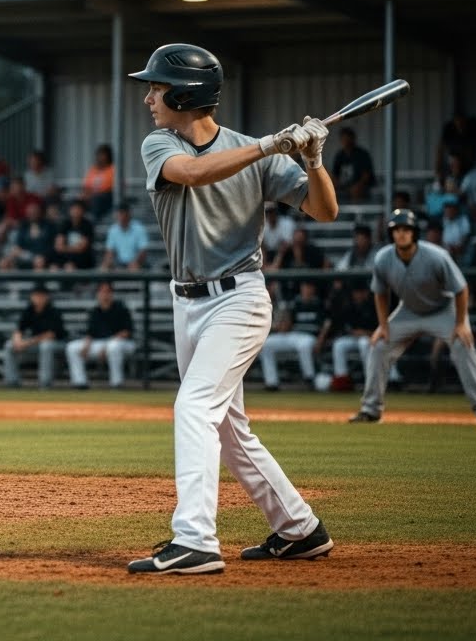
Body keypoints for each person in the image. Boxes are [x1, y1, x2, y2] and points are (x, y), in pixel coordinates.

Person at [125, 43, 335, 576]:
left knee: (194, 407)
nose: (150, 96)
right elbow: (193, 173)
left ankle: (194, 540)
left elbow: (324, 209)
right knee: (228, 428)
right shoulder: (159, 144)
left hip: (239, 299)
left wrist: (311, 160)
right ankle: (300, 529)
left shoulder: (254, 152)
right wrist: (269, 146)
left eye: (157, 86)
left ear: (184, 93)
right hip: (187, 301)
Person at [348, 208, 476, 425]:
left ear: (414, 232)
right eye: (397, 229)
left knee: (463, 344)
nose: (401, 233)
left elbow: (461, 289)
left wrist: (461, 323)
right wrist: (383, 325)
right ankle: (370, 410)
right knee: (379, 345)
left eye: (406, 229)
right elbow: (380, 293)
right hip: (408, 311)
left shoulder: (436, 256)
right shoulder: (383, 258)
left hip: (443, 310)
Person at [258, 280, 327, 391]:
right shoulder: (296, 303)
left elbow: (326, 324)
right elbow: (287, 325)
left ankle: (309, 379)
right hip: (294, 335)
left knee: (303, 345)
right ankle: (271, 382)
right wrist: (285, 321)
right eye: (305, 287)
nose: (306, 290)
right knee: (266, 344)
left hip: (310, 337)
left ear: (314, 289)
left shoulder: (319, 303)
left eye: (309, 287)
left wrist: (321, 340)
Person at [65, 282, 136, 389]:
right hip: (100, 343)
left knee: (113, 347)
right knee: (72, 347)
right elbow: (90, 333)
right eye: (102, 292)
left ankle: (116, 383)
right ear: (97, 294)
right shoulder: (95, 311)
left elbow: (126, 332)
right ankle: (80, 382)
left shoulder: (121, 309)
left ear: (112, 294)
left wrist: (107, 345)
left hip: (122, 343)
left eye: (107, 292)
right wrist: (86, 344)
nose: (105, 295)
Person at [1, 280, 67, 389]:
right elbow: (19, 329)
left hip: (58, 343)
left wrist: (26, 343)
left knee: (46, 346)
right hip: (35, 343)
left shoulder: (53, 311)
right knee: (9, 345)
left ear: (47, 297)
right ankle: (12, 382)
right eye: (36, 295)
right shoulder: (29, 310)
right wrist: (17, 341)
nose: (38, 298)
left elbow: (50, 335)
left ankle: (45, 383)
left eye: (41, 295)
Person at [325, 279, 379, 392]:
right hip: (354, 338)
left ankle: (370, 381)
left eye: (360, 292)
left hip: (371, 339)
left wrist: (364, 333)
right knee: (339, 344)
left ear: (366, 293)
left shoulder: (373, 306)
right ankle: (342, 380)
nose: (358, 295)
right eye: (356, 292)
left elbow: (380, 329)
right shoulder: (350, 306)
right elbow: (346, 328)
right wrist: (353, 332)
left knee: (363, 343)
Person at [0, 200, 54, 271]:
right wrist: (25, 255)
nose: (32, 214)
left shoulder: (48, 226)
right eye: (30, 212)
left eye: (35, 212)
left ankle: (38, 282)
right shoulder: (24, 226)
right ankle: (7, 282)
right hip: (27, 255)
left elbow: (50, 246)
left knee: (39, 261)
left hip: (43, 256)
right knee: (3, 262)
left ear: (40, 212)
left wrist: (40, 256)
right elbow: (18, 245)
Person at [434, 110, 476, 184]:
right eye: (457, 121)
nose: (459, 123)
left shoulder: (472, 130)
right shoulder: (449, 129)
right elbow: (440, 149)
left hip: (468, 165)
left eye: (461, 121)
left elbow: (473, 151)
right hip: (453, 163)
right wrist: (437, 169)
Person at [330, 126, 375, 203]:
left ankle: (357, 213)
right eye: (344, 139)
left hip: (362, 187)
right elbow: (335, 175)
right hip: (344, 188)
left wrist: (358, 186)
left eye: (348, 139)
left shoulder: (362, 154)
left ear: (353, 139)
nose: (346, 141)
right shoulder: (339, 155)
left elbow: (366, 175)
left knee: (356, 190)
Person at [100, 202, 149, 271]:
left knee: (134, 268)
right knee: (104, 268)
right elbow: (110, 251)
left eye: (123, 213)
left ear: (129, 214)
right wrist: (107, 262)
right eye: (119, 213)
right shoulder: (113, 230)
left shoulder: (139, 228)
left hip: (137, 263)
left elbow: (143, 251)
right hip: (119, 264)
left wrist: (135, 262)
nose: (121, 216)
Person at [51, 199, 96, 270]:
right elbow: (58, 246)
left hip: (82, 258)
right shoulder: (64, 224)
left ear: (83, 211)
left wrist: (65, 247)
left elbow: (82, 248)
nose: (76, 211)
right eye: (74, 209)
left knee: (69, 267)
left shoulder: (87, 225)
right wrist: (73, 248)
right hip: (65, 257)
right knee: (53, 267)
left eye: (78, 209)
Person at [82, 144, 116, 223]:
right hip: (92, 197)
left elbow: (111, 187)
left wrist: (94, 193)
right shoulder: (92, 170)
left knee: (97, 199)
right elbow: (86, 186)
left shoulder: (113, 169)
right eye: (99, 155)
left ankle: (93, 222)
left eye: (103, 155)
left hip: (107, 198)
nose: (100, 157)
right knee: (77, 201)